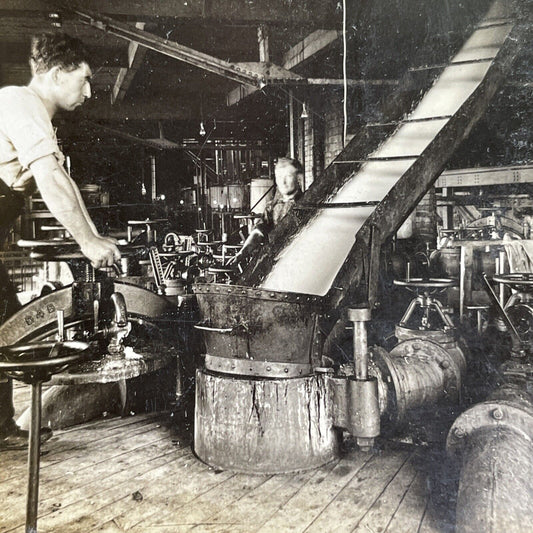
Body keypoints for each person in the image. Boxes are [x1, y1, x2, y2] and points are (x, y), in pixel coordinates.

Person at [0, 32, 121, 449]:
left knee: (5, 327)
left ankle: (1, 430)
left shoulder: (35, 114)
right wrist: (87, 243)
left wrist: (95, 235)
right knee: (6, 330)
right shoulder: (21, 102)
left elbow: (63, 178)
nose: (88, 92)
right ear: (55, 74)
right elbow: (49, 178)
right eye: (83, 79)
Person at [230, 157, 304, 265]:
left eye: (288, 176)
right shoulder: (271, 207)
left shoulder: (306, 203)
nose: (282, 182)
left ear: (298, 178)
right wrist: (242, 253)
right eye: (279, 176)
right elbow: (259, 231)